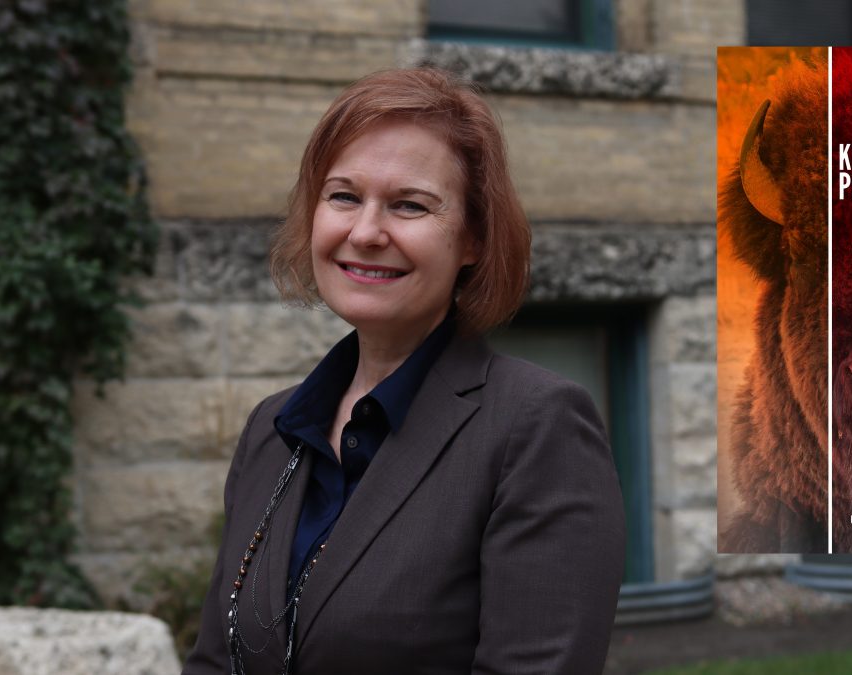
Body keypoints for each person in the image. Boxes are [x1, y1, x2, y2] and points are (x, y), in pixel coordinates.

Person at [182, 68, 626, 675]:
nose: (365, 232)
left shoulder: (534, 426)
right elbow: (215, 660)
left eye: (409, 205)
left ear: (472, 238)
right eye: (343, 196)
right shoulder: (272, 429)